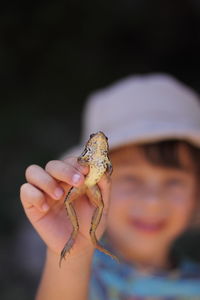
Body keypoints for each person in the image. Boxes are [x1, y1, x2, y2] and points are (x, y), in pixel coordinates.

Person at [20, 73, 200, 300]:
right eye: (131, 178)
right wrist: (76, 251)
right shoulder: (74, 273)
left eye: (174, 181)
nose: (152, 201)